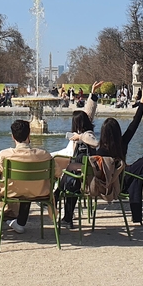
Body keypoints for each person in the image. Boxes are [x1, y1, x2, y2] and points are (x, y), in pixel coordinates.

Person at [0, 119, 53, 234]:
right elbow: (58, 173)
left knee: (5, 185)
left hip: (11, 192)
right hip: (38, 192)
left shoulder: (5, 155)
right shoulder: (44, 155)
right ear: (29, 135)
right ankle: (19, 221)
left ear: (12, 136)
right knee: (27, 187)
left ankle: (6, 216)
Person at [56, 81, 104, 227]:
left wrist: (79, 137)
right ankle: (64, 212)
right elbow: (88, 112)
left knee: (69, 179)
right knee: (69, 179)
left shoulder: (86, 135)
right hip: (81, 172)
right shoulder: (84, 131)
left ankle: (56, 197)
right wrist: (93, 94)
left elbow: (94, 141)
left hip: (85, 175)